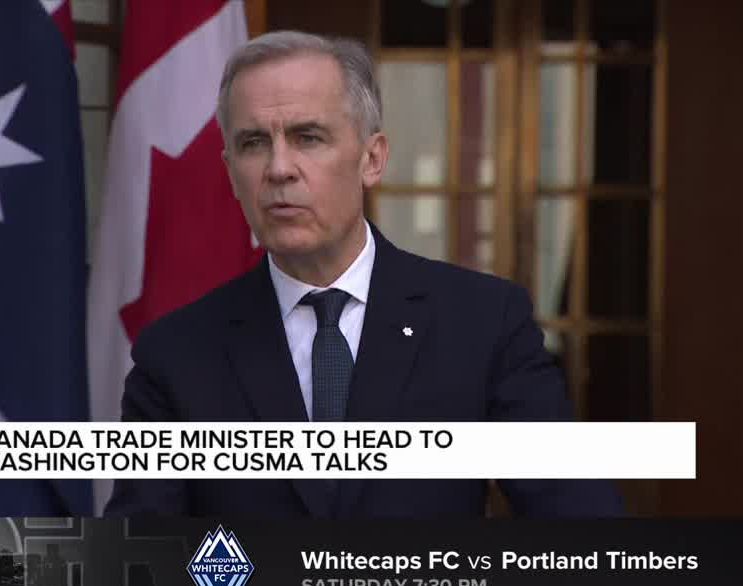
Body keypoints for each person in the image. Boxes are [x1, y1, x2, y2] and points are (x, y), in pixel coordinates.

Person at [103, 31, 624, 517]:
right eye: (254, 143)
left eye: (307, 138)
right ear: (231, 172)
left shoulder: (484, 323)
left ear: (372, 160)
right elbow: (143, 562)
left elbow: (581, 528)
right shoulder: (175, 354)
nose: (279, 168)